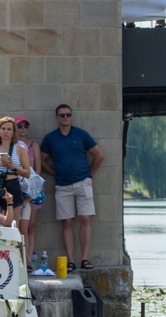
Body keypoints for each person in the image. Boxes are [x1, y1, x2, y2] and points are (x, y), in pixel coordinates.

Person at [40, 104, 104, 272]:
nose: (65, 117)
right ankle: (70, 260)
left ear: (72, 117)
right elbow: (41, 160)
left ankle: (84, 258)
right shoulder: (50, 138)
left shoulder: (81, 134)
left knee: (85, 219)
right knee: (67, 222)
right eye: (62, 115)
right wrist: (54, 173)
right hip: (62, 185)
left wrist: (90, 173)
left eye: (68, 114)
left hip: (83, 183)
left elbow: (99, 155)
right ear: (57, 118)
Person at [0, 116, 30, 230]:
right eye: (3, 129)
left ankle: (12, 247)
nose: (6, 132)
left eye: (9, 129)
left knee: (13, 224)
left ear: (13, 132)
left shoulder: (20, 149)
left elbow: (27, 173)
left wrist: (12, 167)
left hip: (12, 184)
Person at [15, 116, 42, 259]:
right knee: (18, 226)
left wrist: (31, 185)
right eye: (19, 126)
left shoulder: (33, 145)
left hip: (31, 188)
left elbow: (37, 169)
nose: (23, 129)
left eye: (26, 126)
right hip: (16, 190)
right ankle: (19, 259)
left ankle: (29, 259)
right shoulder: (11, 147)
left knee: (31, 225)